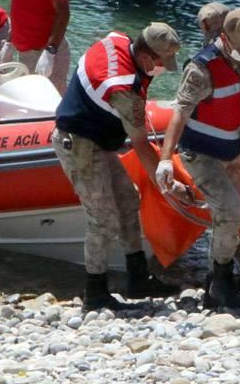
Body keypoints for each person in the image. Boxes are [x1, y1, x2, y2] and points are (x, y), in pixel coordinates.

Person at [54, 23, 184, 312]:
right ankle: (95, 292)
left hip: (97, 139)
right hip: (80, 145)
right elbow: (139, 143)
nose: (165, 69)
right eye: (164, 62)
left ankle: (138, 280)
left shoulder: (118, 40)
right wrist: (166, 182)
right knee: (103, 220)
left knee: (128, 201)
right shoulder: (124, 90)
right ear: (149, 58)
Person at [157, 8, 240, 312]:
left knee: (230, 214)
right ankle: (221, 281)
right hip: (199, 152)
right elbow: (180, 111)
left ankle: (213, 284)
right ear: (225, 38)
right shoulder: (201, 69)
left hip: (231, 149)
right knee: (230, 211)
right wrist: (166, 159)